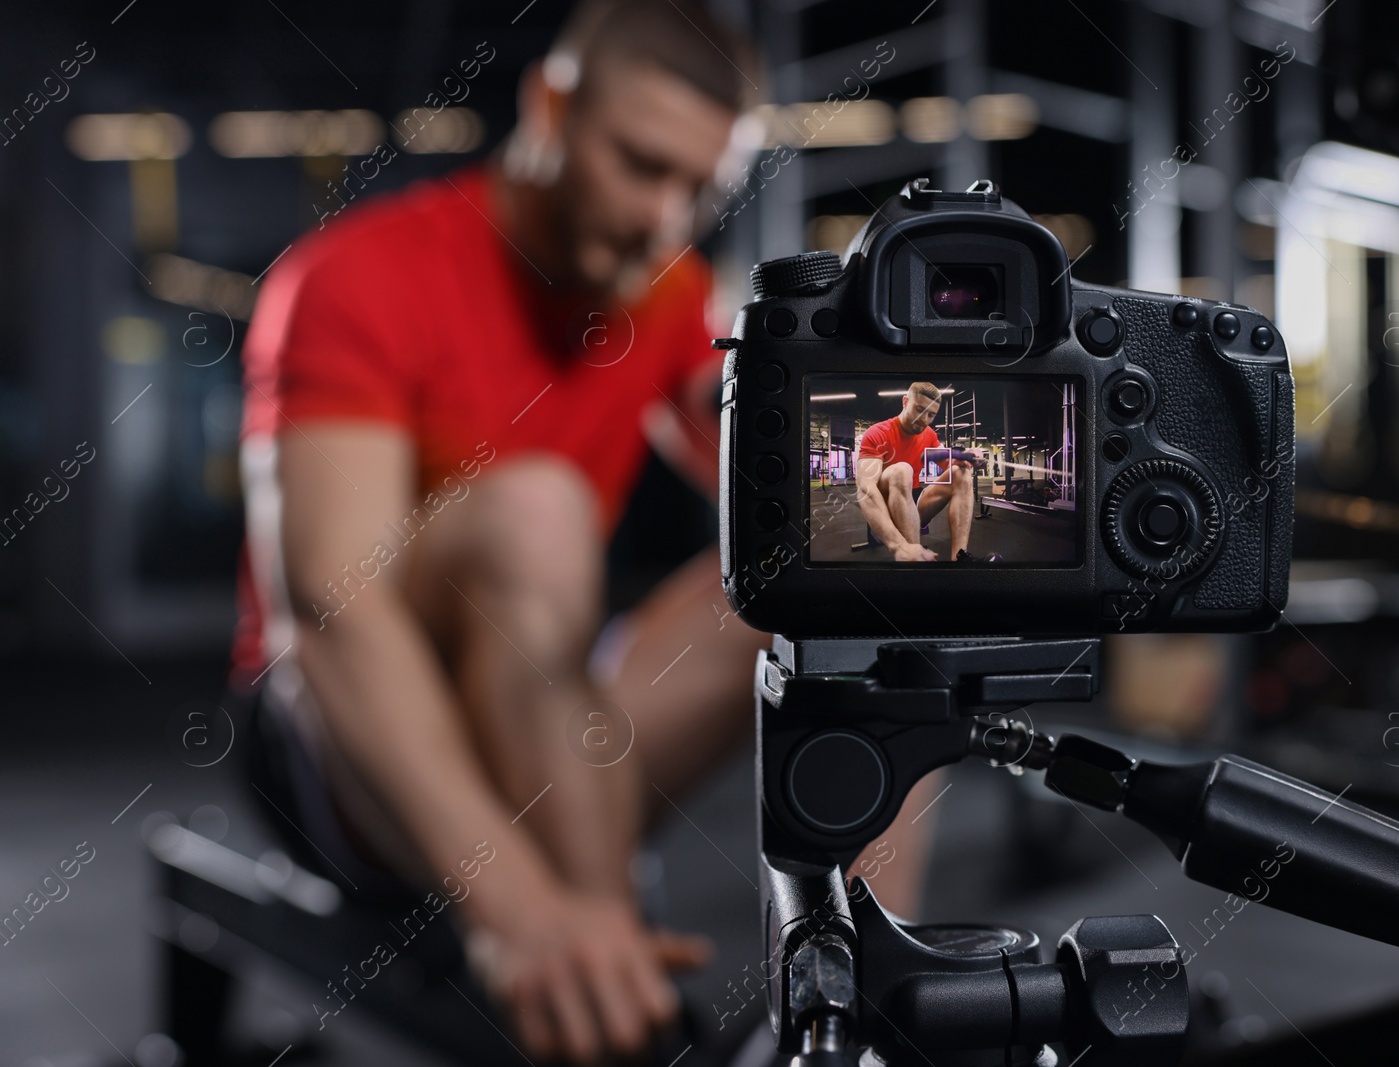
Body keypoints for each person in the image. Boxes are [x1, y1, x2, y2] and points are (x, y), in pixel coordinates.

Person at [234, 1, 944, 1062]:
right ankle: (613, 1003)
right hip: (333, 740)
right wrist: (525, 912)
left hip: (542, 712)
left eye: (697, 191)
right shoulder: (351, 279)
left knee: (866, 574)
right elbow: (333, 614)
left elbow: (784, 480)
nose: (664, 218)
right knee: (537, 507)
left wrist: (904, 468)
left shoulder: (661, 289)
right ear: (550, 106)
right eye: (639, 166)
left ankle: (855, 1014)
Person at [854, 382, 987, 562]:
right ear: (905, 402)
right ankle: (913, 560)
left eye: (931, 415)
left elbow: (951, 461)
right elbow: (865, 490)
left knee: (960, 472)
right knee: (902, 470)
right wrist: (899, 546)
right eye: (919, 410)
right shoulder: (878, 433)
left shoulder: (929, 434)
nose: (924, 420)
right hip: (886, 513)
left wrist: (969, 457)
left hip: (914, 507)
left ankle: (960, 557)